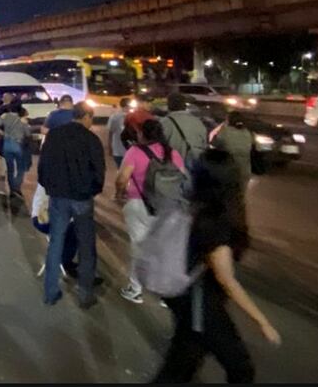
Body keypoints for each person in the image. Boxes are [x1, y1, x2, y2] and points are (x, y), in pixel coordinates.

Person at [152, 149, 281, 383]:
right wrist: (262, 321)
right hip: (202, 304)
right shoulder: (216, 221)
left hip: (185, 297)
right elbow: (226, 279)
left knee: (181, 365)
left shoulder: (194, 206)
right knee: (240, 368)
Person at [37, 102, 106, 308]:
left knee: (56, 241)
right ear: (85, 116)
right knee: (86, 245)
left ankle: (50, 292)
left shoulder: (55, 136)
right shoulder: (91, 139)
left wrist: (49, 186)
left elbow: (43, 166)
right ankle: (85, 293)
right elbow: (99, 171)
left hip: (58, 196)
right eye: (91, 118)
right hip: (82, 197)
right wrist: (92, 190)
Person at [115, 118, 187, 305]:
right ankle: (164, 294)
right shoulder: (172, 153)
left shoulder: (135, 151)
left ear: (142, 134)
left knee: (139, 247)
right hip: (166, 207)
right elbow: (182, 178)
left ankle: (135, 289)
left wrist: (119, 194)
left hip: (139, 204)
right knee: (163, 248)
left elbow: (122, 178)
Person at [0, 101, 31, 200]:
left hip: (7, 145)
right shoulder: (23, 120)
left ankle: (12, 189)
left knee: (10, 169)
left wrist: (2, 133)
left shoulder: (4, 116)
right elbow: (27, 134)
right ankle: (16, 187)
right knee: (20, 168)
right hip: (18, 145)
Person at [209, 111, 255, 189]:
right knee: (239, 195)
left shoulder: (225, 132)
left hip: (228, 170)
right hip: (244, 171)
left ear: (228, 120)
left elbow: (213, 142)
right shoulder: (248, 133)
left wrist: (221, 127)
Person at [163, 93, 209, 169]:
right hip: (195, 164)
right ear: (184, 106)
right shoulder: (197, 121)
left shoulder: (165, 122)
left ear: (169, 105)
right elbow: (204, 142)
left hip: (175, 167)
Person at [107, 97, 132, 169]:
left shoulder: (131, 116)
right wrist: (110, 147)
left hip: (120, 151)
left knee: (122, 171)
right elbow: (110, 133)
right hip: (121, 150)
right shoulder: (115, 117)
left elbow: (110, 133)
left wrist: (110, 147)